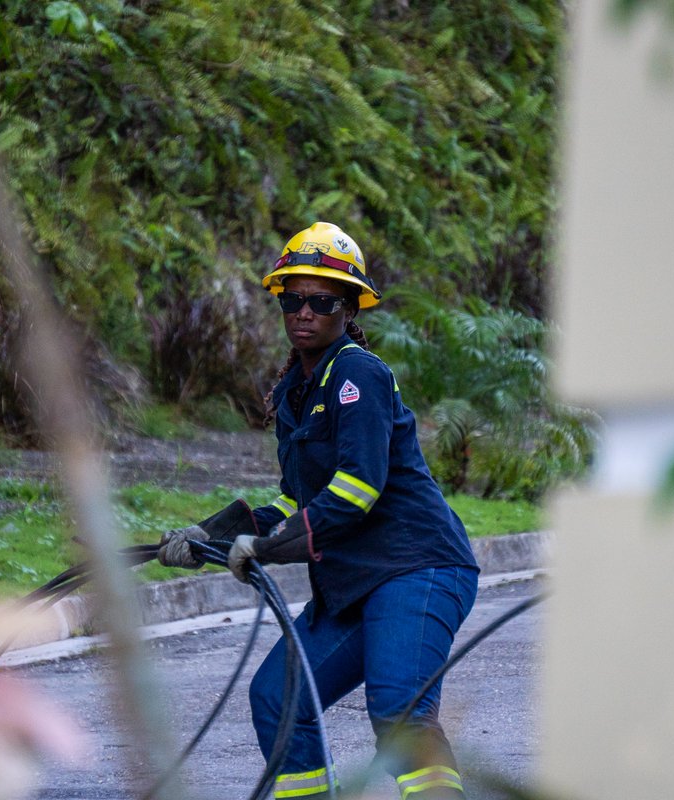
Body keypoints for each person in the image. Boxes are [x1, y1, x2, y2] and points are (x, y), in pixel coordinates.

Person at [158, 222, 479, 799]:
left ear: (349, 307)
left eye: (321, 301)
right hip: (353, 583)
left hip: (418, 568)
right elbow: (294, 499)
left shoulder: (358, 373)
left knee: (399, 711)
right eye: (292, 299)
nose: (304, 312)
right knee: (277, 701)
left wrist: (269, 547)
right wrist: (208, 536)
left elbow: (359, 488)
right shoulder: (294, 391)